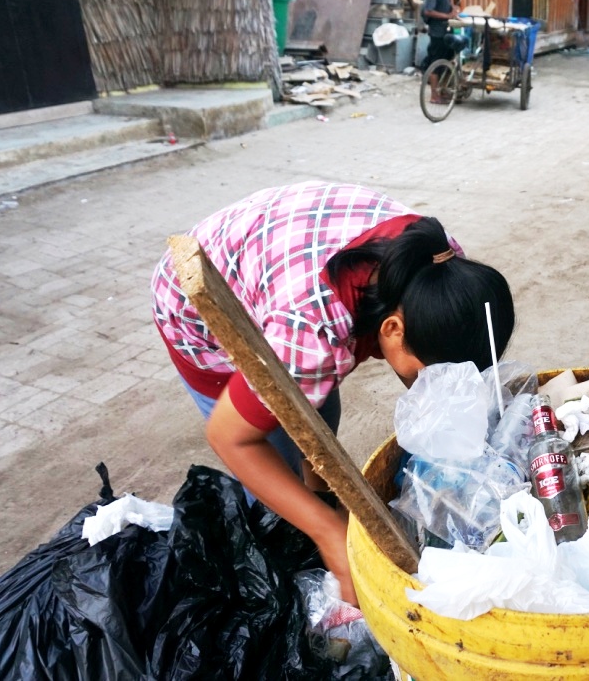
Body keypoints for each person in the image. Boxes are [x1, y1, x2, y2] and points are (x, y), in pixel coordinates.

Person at [151, 181, 515, 605]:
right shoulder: (313, 333)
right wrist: (328, 534)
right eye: (429, 376)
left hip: (279, 258)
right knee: (275, 473)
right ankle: (301, 579)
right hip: (195, 310)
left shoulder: (443, 266)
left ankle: (322, 499)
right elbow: (229, 437)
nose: (434, 391)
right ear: (392, 329)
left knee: (316, 409)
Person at [420, 0, 460, 73]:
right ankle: (434, 91)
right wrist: (448, 16)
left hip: (446, 31)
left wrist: (453, 11)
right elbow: (428, 11)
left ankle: (442, 90)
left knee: (446, 62)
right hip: (437, 33)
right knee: (435, 64)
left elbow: (447, 5)